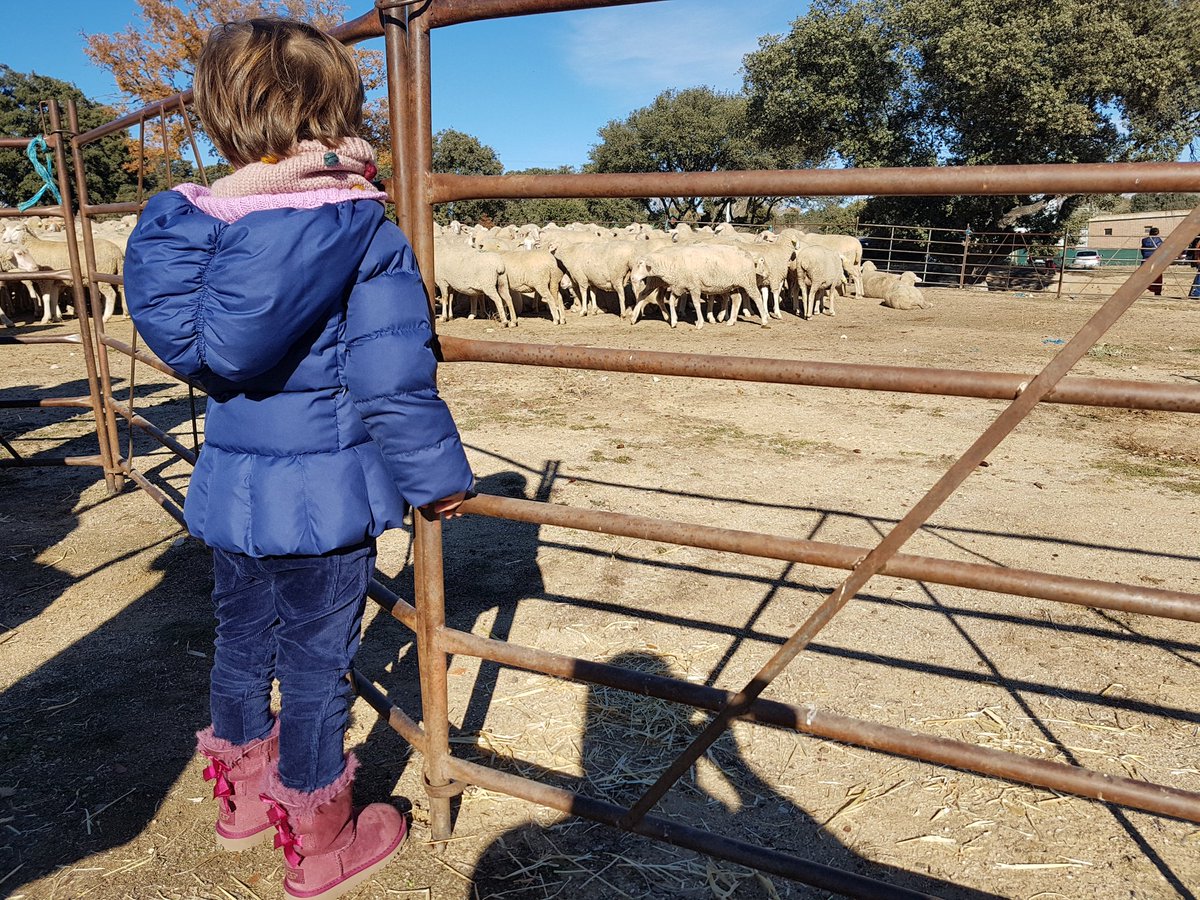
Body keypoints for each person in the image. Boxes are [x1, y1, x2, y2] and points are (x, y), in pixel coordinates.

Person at [123, 18, 474, 900]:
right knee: (317, 669)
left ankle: (243, 804)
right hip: (325, 495)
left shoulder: (193, 229)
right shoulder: (361, 230)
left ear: (222, 116)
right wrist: (438, 479)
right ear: (337, 108)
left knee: (240, 643)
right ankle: (319, 844)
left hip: (235, 494)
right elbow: (394, 379)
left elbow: (208, 350)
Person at [1140, 226, 1165, 296]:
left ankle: (1144, 288)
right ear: (1157, 233)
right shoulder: (1159, 240)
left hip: (1146, 259)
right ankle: (1157, 292)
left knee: (1144, 275)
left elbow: (1142, 249)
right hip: (1156, 260)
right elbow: (1161, 250)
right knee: (1158, 277)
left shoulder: (1144, 240)